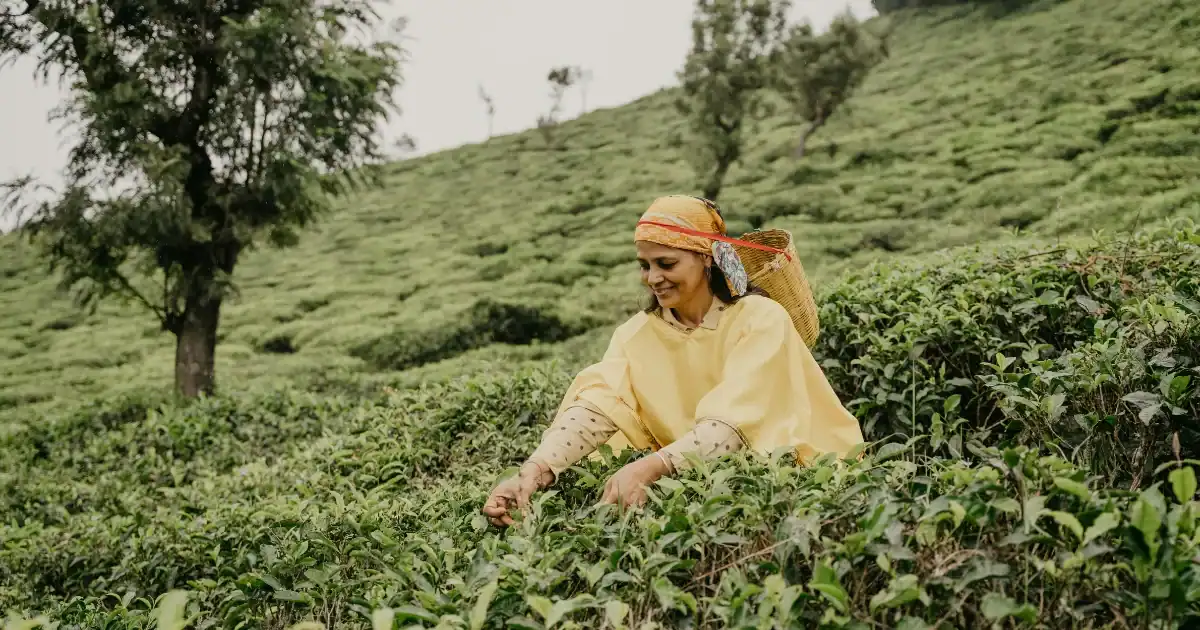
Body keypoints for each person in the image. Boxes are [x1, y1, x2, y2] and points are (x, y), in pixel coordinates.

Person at [481, 195, 864, 527]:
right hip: (702, 482)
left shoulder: (760, 318)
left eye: (666, 264)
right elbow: (598, 404)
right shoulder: (636, 336)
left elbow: (736, 421)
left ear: (706, 260)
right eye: (645, 265)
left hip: (801, 483)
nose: (653, 278)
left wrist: (652, 467)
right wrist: (534, 471)